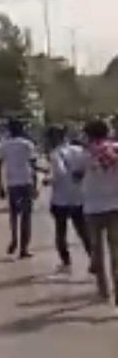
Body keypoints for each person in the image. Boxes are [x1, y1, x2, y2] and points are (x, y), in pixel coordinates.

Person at [74, 119, 118, 303]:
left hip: (92, 208)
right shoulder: (116, 148)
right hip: (116, 206)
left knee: (97, 251)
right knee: (116, 252)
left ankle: (104, 290)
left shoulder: (83, 154)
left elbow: (76, 176)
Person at [45, 125, 91, 276]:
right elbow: (88, 168)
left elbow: (59, 173)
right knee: (84, 232)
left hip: (61, 199)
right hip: (79, 197)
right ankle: (94, 259)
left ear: (52, 138)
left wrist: (48, 180)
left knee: (61, 231)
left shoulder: (55, 154)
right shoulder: (79, 150)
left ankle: (66, 263)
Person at [0, 118, 37, 258]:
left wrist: (0, 186)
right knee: (26, 217)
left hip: (11, 183)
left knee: (13, 215)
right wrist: (36, 185)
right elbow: (33, 166)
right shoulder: (27, 144)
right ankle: (24, 249)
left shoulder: (3, 145)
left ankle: (14, 239)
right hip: (26, 181)